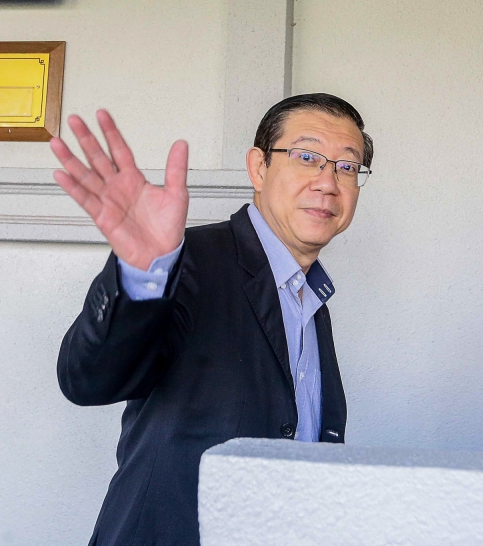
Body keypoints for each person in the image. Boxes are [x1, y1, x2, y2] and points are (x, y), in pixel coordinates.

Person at [51, 93, 374, 546]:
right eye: (307, 157)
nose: (328, 182)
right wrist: (144, 275)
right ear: (258, 168)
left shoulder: (310, 297)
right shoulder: (192, 262)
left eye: (346, 166)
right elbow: (87, 379)